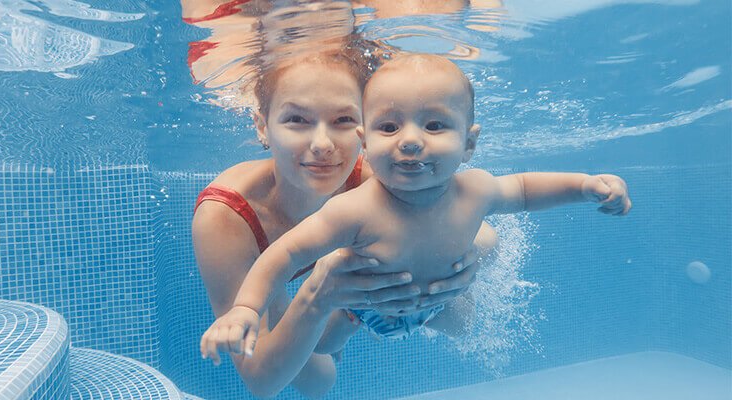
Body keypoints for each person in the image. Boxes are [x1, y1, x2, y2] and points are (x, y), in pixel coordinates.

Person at [200, 53, 633, 357]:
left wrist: (583, 186)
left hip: (436, 302)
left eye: (434, 124)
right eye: (389, 126)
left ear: (469, 142)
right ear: (366, 145)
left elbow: (523, 190)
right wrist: (245, 308)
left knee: (463, 327)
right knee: (324, 346)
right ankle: (348, 326)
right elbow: (285, 254)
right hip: (366, 308)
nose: (410, 139)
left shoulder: (477, 188)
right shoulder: (353, 209)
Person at [192, 50, 498, 399]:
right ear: (263, 126)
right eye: (296, 119)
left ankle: (352, 308)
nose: (322, 145)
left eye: (342, 120)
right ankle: (334, 303)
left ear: (362, 128)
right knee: (321, 380)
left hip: (352, 277)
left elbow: (486, 234)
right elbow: (262, 382)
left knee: (458, 321)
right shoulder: (227, 216)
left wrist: (462, 253)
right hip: (272, 269)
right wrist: (318, 296)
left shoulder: (372, 174)